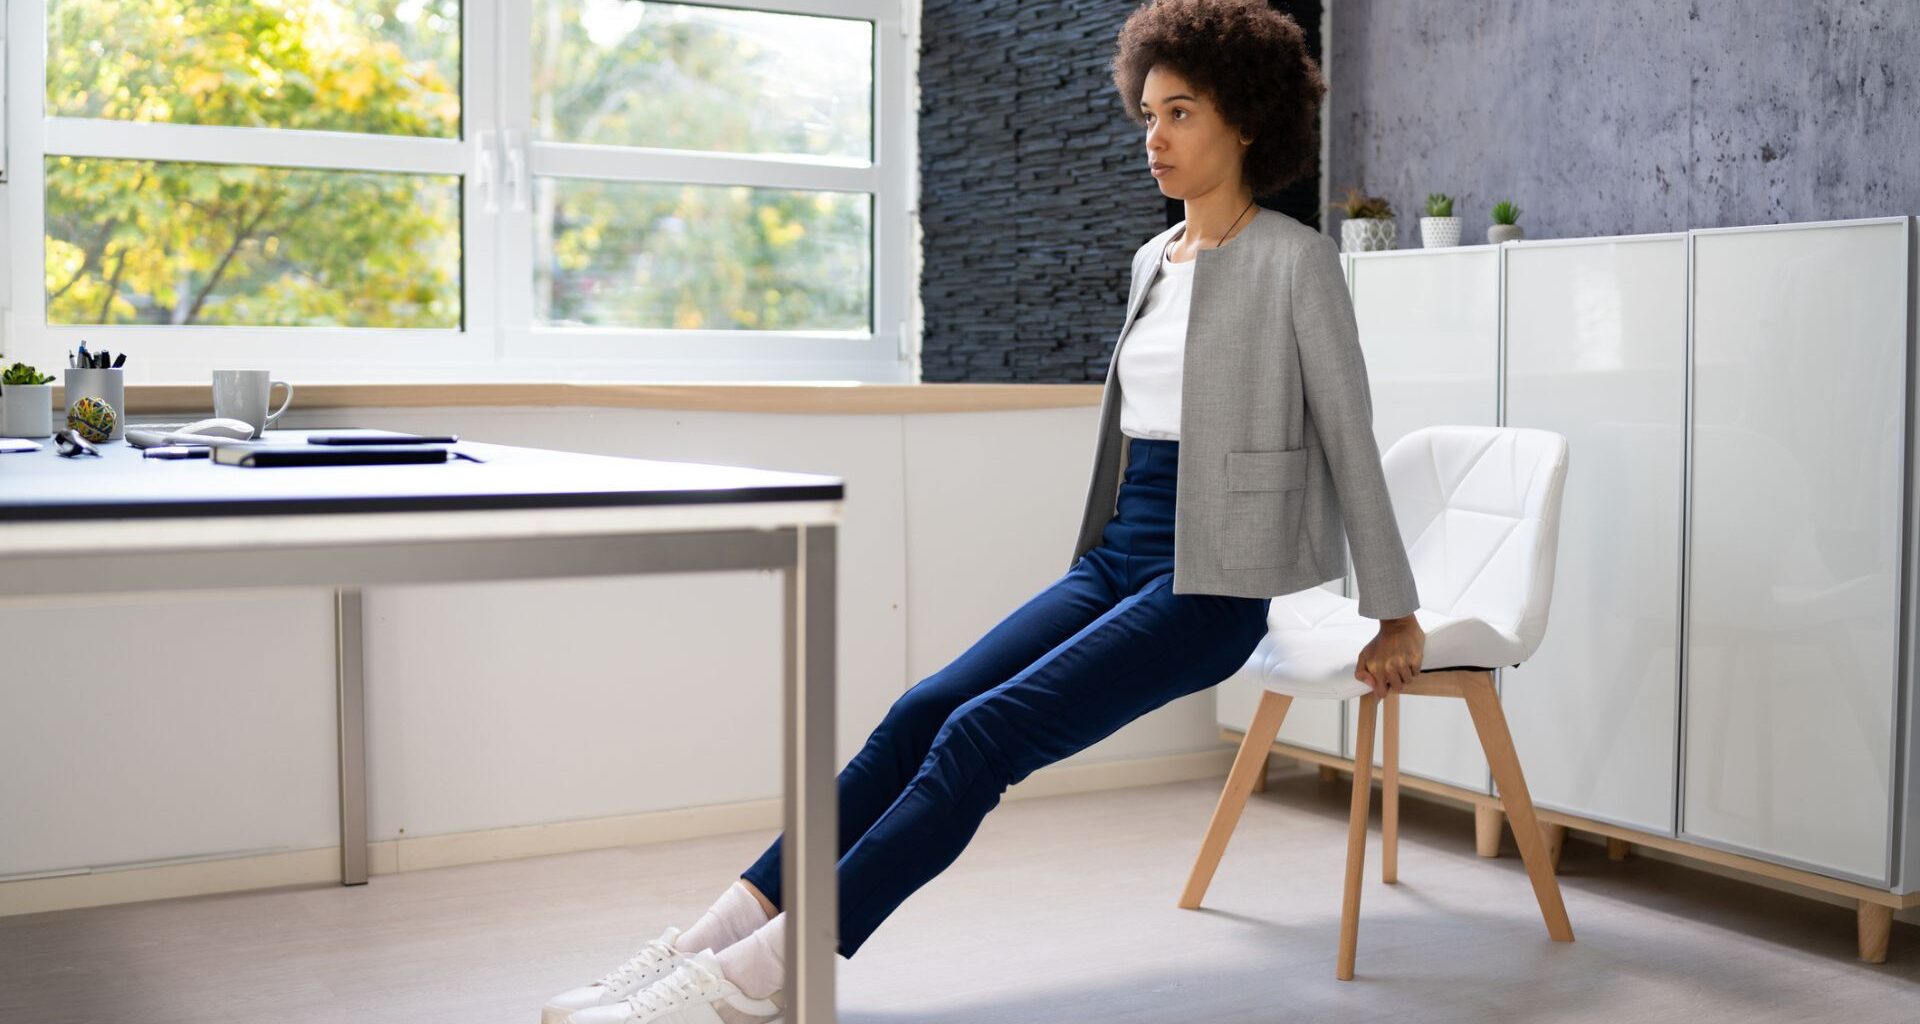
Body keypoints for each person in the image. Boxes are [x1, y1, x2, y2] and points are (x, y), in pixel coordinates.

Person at [543, 1, 1425, 1020]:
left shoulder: (1296, 261)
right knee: (922, 712)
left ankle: (757, 980)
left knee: (980, 736)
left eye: (1181, 113)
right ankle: (705, 942)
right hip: (1122, 553)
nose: (1156, 138)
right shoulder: (1155, 260)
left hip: (1213, 583)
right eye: (1147, 113)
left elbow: (1352, 439)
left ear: (1249, 122)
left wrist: (1393, 611)